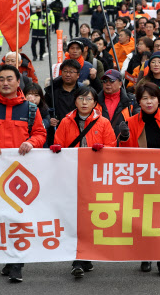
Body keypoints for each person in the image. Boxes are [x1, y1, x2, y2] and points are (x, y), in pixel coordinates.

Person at [0, 64, 47, 283]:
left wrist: (32, 143)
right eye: (1, 79)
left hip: (22, 175)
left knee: (19, 217)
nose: (5, 83)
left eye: (9, 79)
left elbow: (40, 133)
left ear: (18, 81)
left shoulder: (30, 109)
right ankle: (8, 258)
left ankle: (16, 263)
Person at [50, 85, 115, 278]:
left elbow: (112, 147)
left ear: (95, 102)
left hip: (95, 177)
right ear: (75, 101)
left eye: (88, 99)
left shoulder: (103, 122)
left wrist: (102, 150)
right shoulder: (65, 121)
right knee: (75, 216)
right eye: (81, 98)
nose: (84, 102)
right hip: (72, 176)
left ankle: (83, 257)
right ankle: (79, 258)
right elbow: (58, 142)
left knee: (89, 217)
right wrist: (56, 149)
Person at [118, 82, 160, 277]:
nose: (149, 102)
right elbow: (125, 154)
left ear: (159, 99)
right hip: (140, 178)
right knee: (142, 219)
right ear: (138, 101)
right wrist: (123, 137)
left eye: (152, 98)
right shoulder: (132, 122)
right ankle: (145, 255)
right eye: (144, 98)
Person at [44, 60, 83, 145]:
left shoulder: (82, 92)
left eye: (71, 72)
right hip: (56, 133)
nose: (68, 74)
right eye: (65, 71)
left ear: (78, 75)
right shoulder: (52, 91)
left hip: (78, 131)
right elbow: (43, 110)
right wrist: (49, 119)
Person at [97, 69, 139, 137]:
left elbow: (138, 120)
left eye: (111, 80)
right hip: (99, 141)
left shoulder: (131, 100)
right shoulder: (95, 100)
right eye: (105, 81)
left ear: (120, 84)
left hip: (122, 142)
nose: (107, 83)